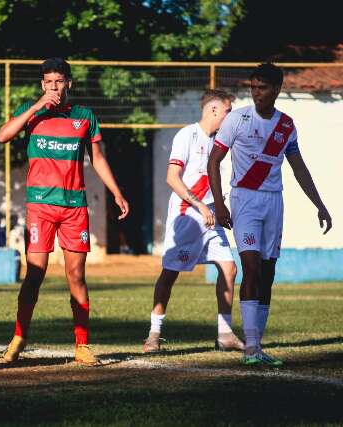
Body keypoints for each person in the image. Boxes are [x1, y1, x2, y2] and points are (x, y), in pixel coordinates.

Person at [0, 57, 130, 365]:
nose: (54, 87)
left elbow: (97, 158)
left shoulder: (84, 116)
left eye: (59, 81)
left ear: (69, 83)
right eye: (48, 82)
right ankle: (19, 336)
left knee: (76, 276)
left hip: (74, 208)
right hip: (40, 207)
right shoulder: (31, 115)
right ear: (42, 85)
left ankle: (82, 345)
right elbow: (3, 136)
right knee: (35, 274)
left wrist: (116, 192)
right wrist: (36, 107)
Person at [208, 63, 332, 366]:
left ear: (276, 89)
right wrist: (220, 204)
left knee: (268, 272)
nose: (256, 92)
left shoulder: (286, 126)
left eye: (262, 87)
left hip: (274, 203)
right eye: (253, 87)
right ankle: (250, 348)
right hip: (244, 200)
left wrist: (320, 204)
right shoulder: (237, 119)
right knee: (250, 268)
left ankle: (257, 346)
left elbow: (298, 166)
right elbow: (214, 162)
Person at [143, 90, 244, 353]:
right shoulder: (187, 135)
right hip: (187, 215)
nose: (229, 117)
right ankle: (154, 335)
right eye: (227, 111)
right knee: (170, 273)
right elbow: (172, 177)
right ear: (213, 110)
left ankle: (225, 334)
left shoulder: (220, 142)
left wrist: (219, 207)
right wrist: (198, 204)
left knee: (229, 268)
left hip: (211, 217)